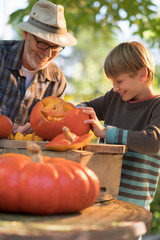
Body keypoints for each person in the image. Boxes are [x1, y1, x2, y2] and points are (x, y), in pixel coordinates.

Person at [78, 41, 160, 210]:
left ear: (142, 74)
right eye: (112, 82)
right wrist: (73, 111)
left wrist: (106, 132)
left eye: (119, 81)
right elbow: (84, 106)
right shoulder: (114, 99)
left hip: (132, 204)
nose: (115, 88)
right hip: (102, 195)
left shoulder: (157, 106)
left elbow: (153, 143)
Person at [0, 0, 77, 135]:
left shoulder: (57, 80)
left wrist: (39, 127)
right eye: (42, 43)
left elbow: (55, 125)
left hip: (26, 154)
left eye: (55, 47)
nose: (47, 53)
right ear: (25, 34)